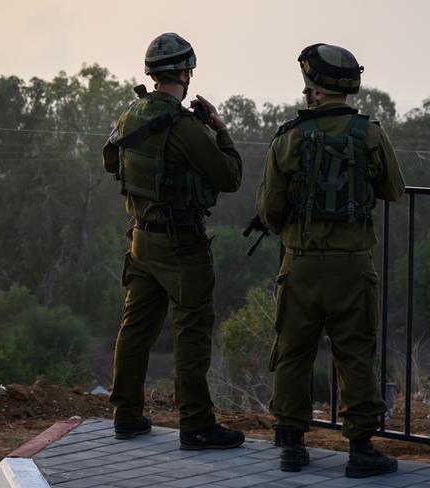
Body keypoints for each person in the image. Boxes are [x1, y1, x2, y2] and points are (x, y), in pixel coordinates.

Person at [256, 43, 405, 477]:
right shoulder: (371, 134)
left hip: (300, 265)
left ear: (314, 89)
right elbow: (394, 189)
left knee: (293, 352)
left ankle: (292, 446)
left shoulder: (289, 138)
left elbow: (269, 212)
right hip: (352, 265)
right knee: (355, 353)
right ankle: (360, 449)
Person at [102, 32, 245, 449]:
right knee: (192, 331)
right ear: (185, 72)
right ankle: (196, 424)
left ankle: (126, 416)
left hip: (141, 242)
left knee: (135, 330)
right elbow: (230, 177)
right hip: (182, 248)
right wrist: (220, 130)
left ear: (152, 72)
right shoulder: (185, 126)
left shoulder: (130, 115)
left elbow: (111, 158)